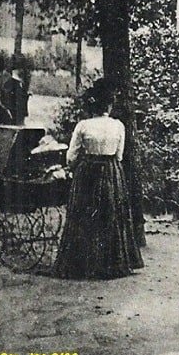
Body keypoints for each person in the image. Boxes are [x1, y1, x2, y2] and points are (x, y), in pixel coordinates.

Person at [52, 80, 143, 279]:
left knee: (84, 216)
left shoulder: (83, 125)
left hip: (88, 173)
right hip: (111, 171)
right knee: (111, 215)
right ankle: (110, 263)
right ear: (110, 105)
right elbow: (119, 155)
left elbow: (71, 157)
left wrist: (74, 166)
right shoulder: (118, 126)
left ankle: (83, 263)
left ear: (92, 105)